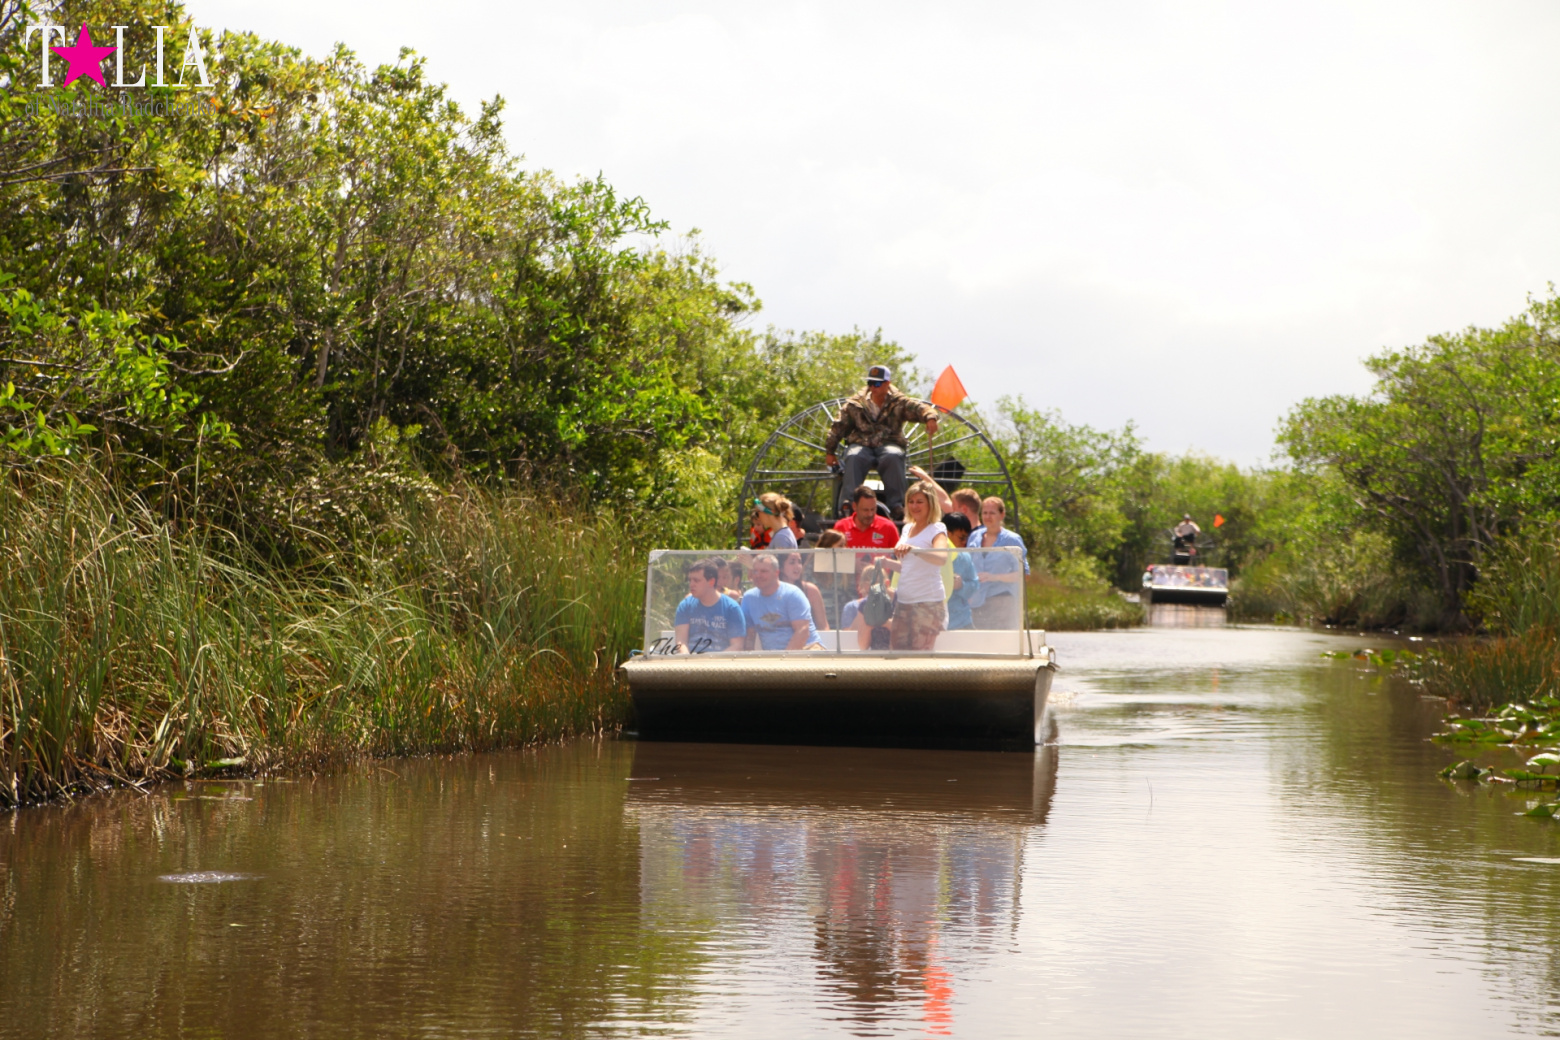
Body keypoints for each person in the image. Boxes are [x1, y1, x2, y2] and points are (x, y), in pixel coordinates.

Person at [823, 365, 939, 519]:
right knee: (854, 456)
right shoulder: (855, 403)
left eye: (877, 383)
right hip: (861, 443)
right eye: (870, 383)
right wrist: (830, 451)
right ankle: (848, 504)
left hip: (888, 443)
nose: (873, 387)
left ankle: (897, 506)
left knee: (893, 456)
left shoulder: (898, 402)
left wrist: (930, 417)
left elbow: (918, 408)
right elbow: (838, 426)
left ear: (887, 384)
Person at [890, 480, 951, 650]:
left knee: (920, 659)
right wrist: (886, 563)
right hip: (903, 601)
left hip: (927, 603)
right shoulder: (906, 528)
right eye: (911, 501)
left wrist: (914, 549)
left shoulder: (937, 528)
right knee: (896, 655)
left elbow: (940, 558)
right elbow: (910, 566)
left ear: (930, 503)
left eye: (919, 501)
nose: (914, 506)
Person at [969, 496, 1029, 630]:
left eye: (992, 513)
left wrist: (994, 577)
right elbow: (968, 567)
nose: (988, 516)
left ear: (1002, 515)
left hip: (1002, 600)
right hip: (976, 601)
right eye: (985, 513)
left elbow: (1024, 574)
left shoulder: (1012, 540)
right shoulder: (974, 537)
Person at [742, 553, 823, 651]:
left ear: (776, 573)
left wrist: (784, 660)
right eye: (755, 571)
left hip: (807, 648)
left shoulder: (793, 594)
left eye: (764, 571)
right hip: (774, 656)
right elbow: (749, 634)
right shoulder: (748, 598)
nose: (758, 575)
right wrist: (749, 658)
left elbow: (802, 631)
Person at [673, 559, 747, 653]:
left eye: (696, 580)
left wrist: (712, 663)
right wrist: (688, 660)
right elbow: (681, 641)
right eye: (690, 580)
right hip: (691, 662)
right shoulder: (685, 605)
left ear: (711, 582)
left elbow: (737, 646)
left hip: (721, 664)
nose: (691, 584)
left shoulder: (732, 608)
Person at [941, 512, 981, 631]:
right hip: (935, 623)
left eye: (967, 537)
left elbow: (975, 585)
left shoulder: (965, 557)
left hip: (961, 621)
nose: (965, 542)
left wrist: (961, 586)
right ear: (947, 534)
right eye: (961, 537)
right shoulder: (929, 555)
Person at [841, 563, 893, 650]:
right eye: (868, 593)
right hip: (876, 657)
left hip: (903, 657)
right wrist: (869, 624)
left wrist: (885, 622)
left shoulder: (901, 600)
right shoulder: (864, 605)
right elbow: (863, 646)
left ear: (887, 584)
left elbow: (908, 635)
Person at [832, 484, 900, 550]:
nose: (870, 514)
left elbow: (899, 559)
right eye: (865, 510)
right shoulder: (841, 527)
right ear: (854, 506)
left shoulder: (889, 528)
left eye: (873, 509)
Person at [781, 551, 830, 631]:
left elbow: (823, 626)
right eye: (792, 562)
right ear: (781, 567)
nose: (797, 566)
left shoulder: (811, 590)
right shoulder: (772, 591)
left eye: (799, 562)